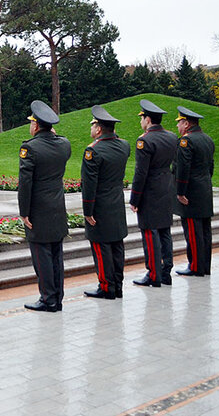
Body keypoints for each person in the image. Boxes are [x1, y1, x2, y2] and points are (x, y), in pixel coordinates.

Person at [18, 100, 72, 313]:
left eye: (32, 123)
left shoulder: (30, 148)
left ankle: (48, 299)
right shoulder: (64, 144)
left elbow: (25, 184)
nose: (30, 127)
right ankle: (57, 297)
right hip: (57, 207)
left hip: (38, 210)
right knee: (56, 255)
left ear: (37, 125)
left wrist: (24, 211)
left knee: (41, 257)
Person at [81, 105, 131, 300]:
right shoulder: (124, 145)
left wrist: (88, 210)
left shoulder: (93, 152)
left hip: (100, 205)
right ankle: (117, 285)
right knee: (117, 245)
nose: (91, 129)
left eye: (93, 126)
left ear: (99, 129)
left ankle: (106, 287)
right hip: (117, 202)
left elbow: (89, 185)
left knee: (101, 247)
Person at [130, 100, 178, 288]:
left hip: (150, 191)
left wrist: (135, 199)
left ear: (148, 119)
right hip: (166, 187)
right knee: (165, 231)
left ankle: (153, 273)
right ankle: (166, 272)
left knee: (150, 232)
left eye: (142, 118)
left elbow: (141, 173)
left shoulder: (145, 141)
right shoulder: (172, 137)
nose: (141, 121)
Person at [173, 106, 215, 277]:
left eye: (179, 123)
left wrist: (180, 192)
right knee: (205, 230)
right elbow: (210, 167)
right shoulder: (207, 139)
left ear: (187, 124)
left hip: (190, 192)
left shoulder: (186, 141)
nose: (177, 127)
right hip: (204, 188)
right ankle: (205, 266)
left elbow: (182, 169)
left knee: (193, 231)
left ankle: (195, 266)